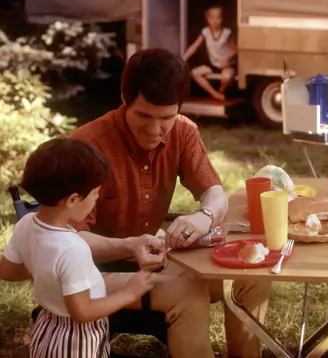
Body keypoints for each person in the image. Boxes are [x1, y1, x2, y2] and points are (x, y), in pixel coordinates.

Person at [71, 48, 269, 358]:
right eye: (144, 116)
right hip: (91, 273)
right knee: (187, 293)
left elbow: (214, 192)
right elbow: (68, 240)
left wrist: (204, 216)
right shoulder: (86, 146)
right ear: (124, 99)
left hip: (154, 261)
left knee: (248, 277)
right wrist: (130, 246)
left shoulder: (184, 131)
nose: (154, 130)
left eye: (166, 117)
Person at [0, 138, 154, 358]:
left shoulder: (27, 224)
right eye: (94, 194)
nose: (97, 198)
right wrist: (130, 292)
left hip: (47, 328)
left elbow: (6, 271)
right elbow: (82, 312)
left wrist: (43, 267)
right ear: (72, 199)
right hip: (76, 342)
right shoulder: (73, 249)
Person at [183, 4, 237, 100]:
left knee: (226, 78)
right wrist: (184, 58)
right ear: (207, 19)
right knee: (195, 73)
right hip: (213, 64)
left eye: (218, 18)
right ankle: (215, 94)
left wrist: (227, 59)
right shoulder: (205, 32)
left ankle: (221, 90)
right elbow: (194, 46)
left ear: (222, 19)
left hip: (226, 65)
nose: (215, 21)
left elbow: (236, 50)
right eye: (212, 18)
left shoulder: (226, 33)